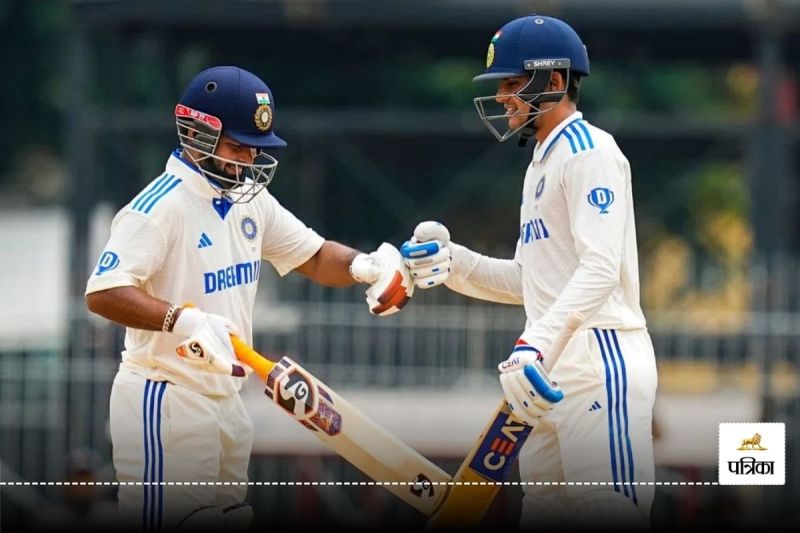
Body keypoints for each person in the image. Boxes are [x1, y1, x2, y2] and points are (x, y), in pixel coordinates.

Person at [85, 65, 414, 531]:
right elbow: (102, 292)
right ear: (196, 133)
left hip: (227, 400)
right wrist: (182, 320)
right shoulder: (159, 208)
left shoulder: (250, 200)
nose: (246, 160)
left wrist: (364, 266)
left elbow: (315, 256)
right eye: (237, 146)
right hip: (165, 396)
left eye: (254, 148)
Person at [401, 15, 657, 530]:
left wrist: (535, 343)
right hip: (544, 372)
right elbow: (531, 279)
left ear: (555, 81)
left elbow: (601, 269)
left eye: (513, 83)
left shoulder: (590, 152)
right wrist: (454, 265)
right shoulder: (541, 161)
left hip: (598, 358)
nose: (502, 98)